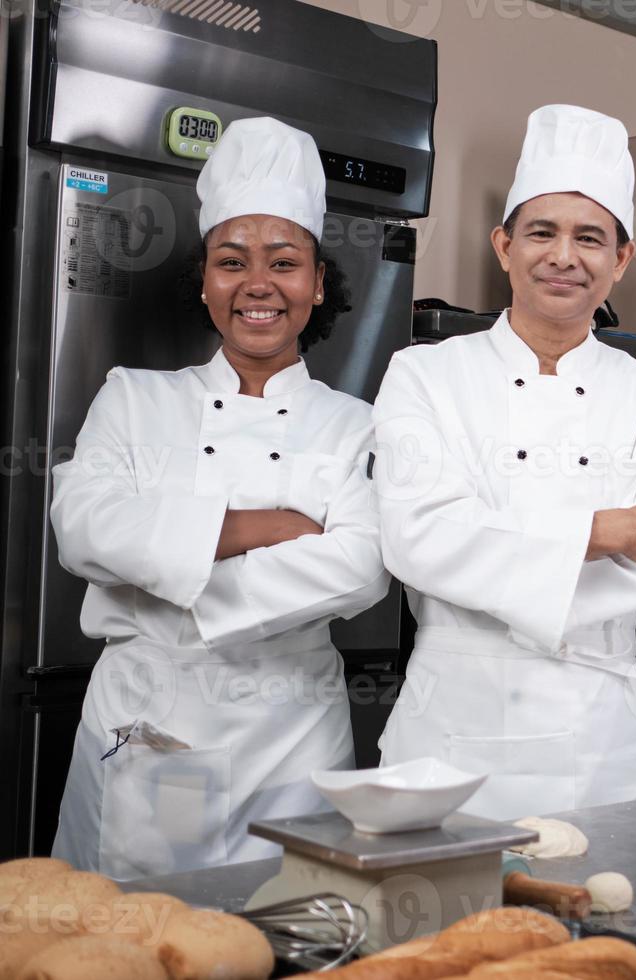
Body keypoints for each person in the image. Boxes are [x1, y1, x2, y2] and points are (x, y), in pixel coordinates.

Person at [50, 117, 390, 878]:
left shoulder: (356, 425)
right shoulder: (134, 398)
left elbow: (363, 567)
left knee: (293, 932)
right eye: (232, 261)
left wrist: (174, 576)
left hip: (293, 737)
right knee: (140, 936)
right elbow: (81, 527)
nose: (258, 284)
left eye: (284, 261)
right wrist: (267, 525)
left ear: (317, 282)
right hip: (155, 721)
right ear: (205, 281)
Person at [372, 104, 636, 820]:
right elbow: (416, 539)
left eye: (589, 238)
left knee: (597, 927)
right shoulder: (423, 375)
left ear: (620, 260)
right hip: (450, 734)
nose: (563, 256)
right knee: (442, 928)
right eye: (541, 232)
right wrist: (611, 530)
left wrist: (490, 542)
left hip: (597, 739)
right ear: (503, 245)